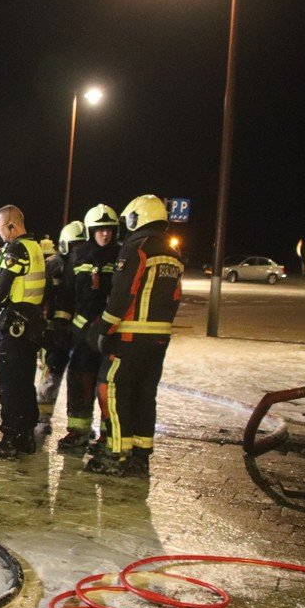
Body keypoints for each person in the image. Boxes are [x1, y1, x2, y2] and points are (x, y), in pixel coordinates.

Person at [85, 194, 183, 476]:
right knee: (144, 394)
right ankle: (141, 455)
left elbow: (123, 292)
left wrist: (103, 329)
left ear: (138, 217)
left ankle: (116, 455)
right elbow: (175, 296)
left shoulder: (137, 248)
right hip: (159, 339)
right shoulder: (173, 254)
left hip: (128, 337)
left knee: (112, 390)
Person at [0, 205, 47, 461]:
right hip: (31, 325)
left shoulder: (16, 249)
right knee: (25, 384)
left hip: (13, 327)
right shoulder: (35, 247)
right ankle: (26, 436)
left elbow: (2, 286)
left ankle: (9, 440)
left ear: (11, 226)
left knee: (9, 387)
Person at [58, 204, 121, 451]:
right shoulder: (79, 256)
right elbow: (65, 293)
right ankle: (78, 431)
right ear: (91, 231)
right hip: (82, 334)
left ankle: (108, 435)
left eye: (108, 229)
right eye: (99, 229)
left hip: (111, 333)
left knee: (108, 387)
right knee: (78, 383)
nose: (104, 234)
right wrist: (61, 324)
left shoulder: (121, 255)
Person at [37, 220, 86, 432]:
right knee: (51, 375)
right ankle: (42, 418)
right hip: (53, 332)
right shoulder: (53, 265)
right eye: (76, 245)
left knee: (79, 378)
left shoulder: (89, 266)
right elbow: (43, 298)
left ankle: (77, 425)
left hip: (79, 331)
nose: (79, 250)